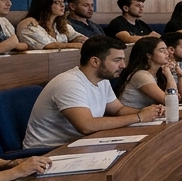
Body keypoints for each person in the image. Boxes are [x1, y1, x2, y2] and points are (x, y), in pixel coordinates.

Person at [23, 36, 164, 148]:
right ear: (95, 62)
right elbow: (86, 126)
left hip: (80, 144)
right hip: (48, 151)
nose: (123, 65)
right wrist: (139, 117)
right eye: (117, 60)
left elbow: (118, 110)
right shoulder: (69, 83)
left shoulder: (102, 80)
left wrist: (149, 112)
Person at [119, 35, 182, 109]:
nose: (167, 53)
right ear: (149, 55)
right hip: (131, 116)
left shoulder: (159, 73)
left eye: (166, 49)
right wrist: (169, 75)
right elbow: (170, 102)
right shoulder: (141, 75)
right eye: (161, 50)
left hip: (148, 117)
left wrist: (180, 75)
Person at [17, 0, 85, 50]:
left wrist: (81, 39)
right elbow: (47, 45)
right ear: (45, 5)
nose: (63, 5)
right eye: (57, 2)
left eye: (63, 2)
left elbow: (76, 36)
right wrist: (73, 45)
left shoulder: (60, 24)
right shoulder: (30, 25)